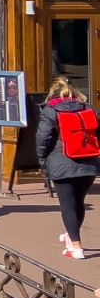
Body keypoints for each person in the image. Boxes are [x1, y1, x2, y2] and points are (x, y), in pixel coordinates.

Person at [37, 78, 100, 258]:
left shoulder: (50, 111)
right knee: (78, 202)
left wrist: (43, 162)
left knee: (67, 205)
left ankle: (77, 248)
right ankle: (71, 236)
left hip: (61, 163)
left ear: (53, 93)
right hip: (88, 163)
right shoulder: (89, 109)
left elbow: (43, 140)